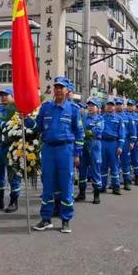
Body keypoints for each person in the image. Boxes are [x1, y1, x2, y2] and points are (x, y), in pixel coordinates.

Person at [26, 76, 84, 234]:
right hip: (48, 150)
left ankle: (65, 220)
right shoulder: (46, 107)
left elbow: (79, 133)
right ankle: (46, 218)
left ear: (67, 90)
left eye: (61, 87)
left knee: (66, 185)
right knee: (47, 184)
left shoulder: (73, 109)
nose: (58, 90)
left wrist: (77, 154)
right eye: (56, 87)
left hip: (66, 150)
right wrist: (26, 119)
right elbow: (37, 126)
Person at [76, 98, 104, 204]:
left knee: (96, 170)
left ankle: (96, 194)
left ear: (97, 108)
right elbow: (79, 128)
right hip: (84, 146)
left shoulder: (100, 119)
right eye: (89, 106)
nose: (90, 107)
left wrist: (87, 131)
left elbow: (98, 130)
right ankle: (82, 193)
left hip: (94, 146)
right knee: (82, 170)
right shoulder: (83, 118)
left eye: (93, 106)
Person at [101, 99, 125, 195]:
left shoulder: (119, 119)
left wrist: (120, 146)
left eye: (111, 105)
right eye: (108, 105)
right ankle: (102, 186)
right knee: (103, 166)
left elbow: (122, 134)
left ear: (114, 107)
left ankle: (116, 187)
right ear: (106, 106)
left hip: (113, 144)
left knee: (114, 166)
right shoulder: (101, 117)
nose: (110, 107)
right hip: (103, 143)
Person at [115, 98, 137, 190]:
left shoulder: (128, 117)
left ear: (122, 106)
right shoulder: (111, 116)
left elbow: (133, 131)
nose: (118, 106)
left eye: (120, 104)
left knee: (125, 162)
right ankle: (114, 182)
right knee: (115, 163)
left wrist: (132, 142)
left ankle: (126, 182)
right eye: (117, 104)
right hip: (114, 141)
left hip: (125, 141)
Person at [126, 100, 138, 186]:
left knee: (135, 160)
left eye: (131, 105)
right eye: (128, 105)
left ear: (134, 107)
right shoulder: (123, 115)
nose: (130, 107)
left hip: (135, 142)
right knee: (126, 161)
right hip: (126, 141)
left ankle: (137, 177)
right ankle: (127, 178)